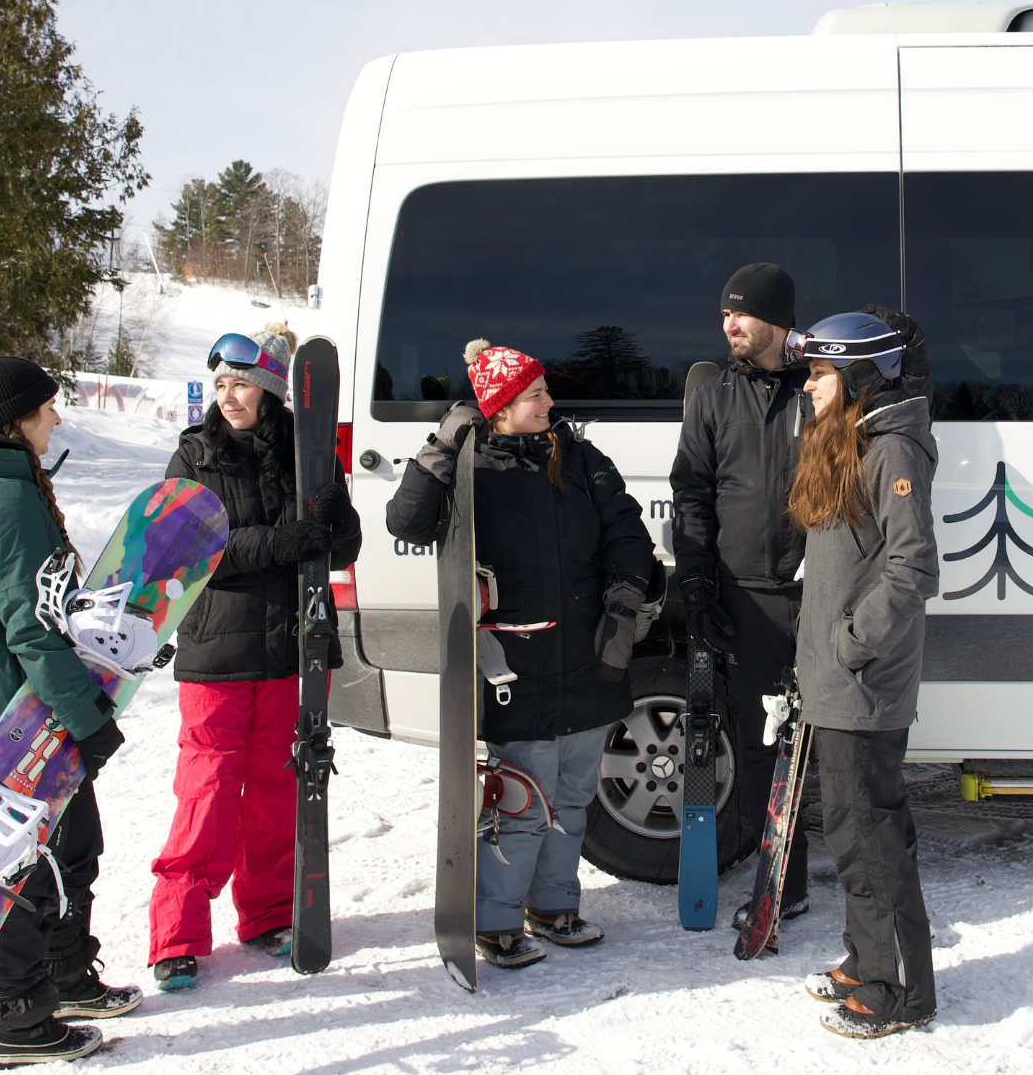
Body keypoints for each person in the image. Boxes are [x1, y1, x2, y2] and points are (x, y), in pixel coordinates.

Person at [386, 339, 657, 969]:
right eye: (535, 394)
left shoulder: (582, 457)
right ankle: (496, 919)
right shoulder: (473, 468)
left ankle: (555, 904)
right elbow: (406, 522)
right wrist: (441, 446)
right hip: (516, 662)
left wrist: (625, 603)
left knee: (573, 793)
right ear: (500, 406)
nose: (549, 402)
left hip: (590, 656)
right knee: (521, 798)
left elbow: (627, 531)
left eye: (544, 391)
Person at [0, 356, 138, 1070]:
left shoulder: (2, 485)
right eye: (48, 407)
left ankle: (66, 979)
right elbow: (31, 628)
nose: (58, 417)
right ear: (17, 418)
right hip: (10, 717)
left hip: (27, 707)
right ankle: (14, 1016)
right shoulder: (1, 501)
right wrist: (86, 718)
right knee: (26, 863)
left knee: (74, 844)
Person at [146, 325, 361, 991]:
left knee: (274, 793)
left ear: (269, 389)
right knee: (206, 793)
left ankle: (266, 914)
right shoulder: (195, 456)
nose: (228, 395)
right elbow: (179, 550)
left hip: (285, 651)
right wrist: (277, 542)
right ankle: (176, 936)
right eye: (219, 384)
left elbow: (343, 544)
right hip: (216, 652)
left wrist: (332, 517)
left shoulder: (305, 451)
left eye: (240, 383)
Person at [786, 312, 939, 1039]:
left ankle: (897, 988)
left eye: (819, 373)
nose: (808, 384)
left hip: (863, 682)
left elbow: (914, 569)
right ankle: (864, 957)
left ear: (858, 377)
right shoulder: (851, 439)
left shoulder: (893, 448)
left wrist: (848, 646)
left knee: (871, 836)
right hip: (836, 679)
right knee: (851, 831)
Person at [669, 262, 813, 923]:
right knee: (760, 742)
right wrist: (695, 578)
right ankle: (784, 876)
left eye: (743, 313)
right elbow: (692, 493)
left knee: (829, 736)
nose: (730, 323)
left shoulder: (821, 387)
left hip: (819, 595)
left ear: (778, 320)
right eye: (725, 313)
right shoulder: (712, 394)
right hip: (746, 597)